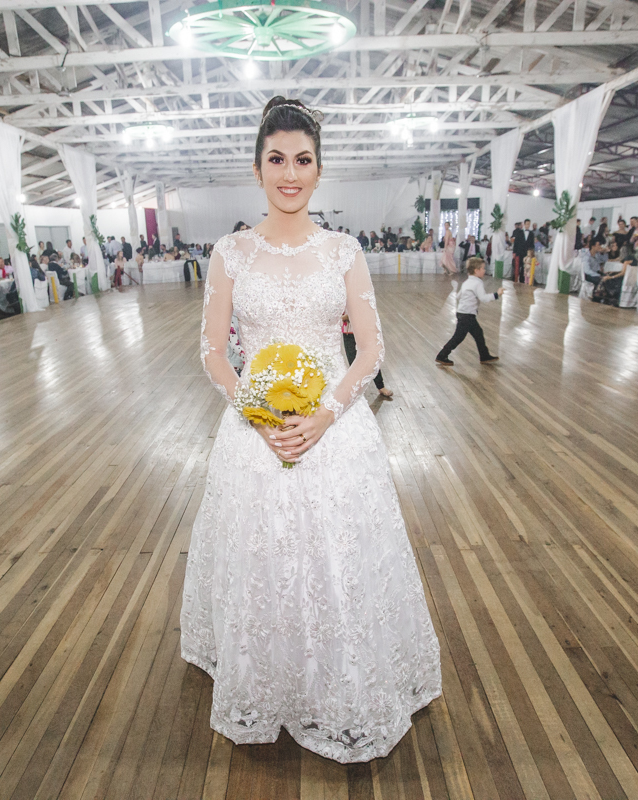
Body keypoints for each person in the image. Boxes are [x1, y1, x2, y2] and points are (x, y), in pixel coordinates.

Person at [186, 96, 441, 764]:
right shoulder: (230, 252)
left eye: (302, 160)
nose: (289, 173)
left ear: (319, 170)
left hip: (335, 428)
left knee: (338, 563)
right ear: (257, 168)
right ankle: (267, 678)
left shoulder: (343, 251)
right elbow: (213, 351)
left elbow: (370, 350)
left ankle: (340, 680)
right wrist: (259, 415)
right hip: (257, 429)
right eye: (277, 160)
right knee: (264, 560)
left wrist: (327, 413)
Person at [436, 257, 502, 366]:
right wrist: (497, 294)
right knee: (458, 337)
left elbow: (458, 296)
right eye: (483, 268)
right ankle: (442, 355)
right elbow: (483, 298)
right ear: (476, 270)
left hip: (463, 313)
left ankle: (484, 356)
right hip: (467, 315)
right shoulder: (477, 283)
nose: (484, 270)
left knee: (478, 334)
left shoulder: (467, 282)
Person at [341, 311, 392, 398]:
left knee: (371, 358)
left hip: (364, 330)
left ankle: (380, 386)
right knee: (352, 360)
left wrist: (350, 316)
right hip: (348, 332)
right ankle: (356, 388)